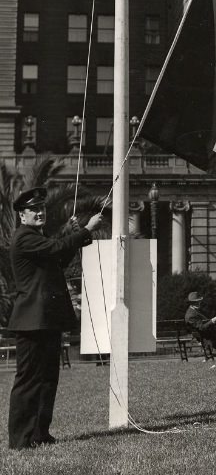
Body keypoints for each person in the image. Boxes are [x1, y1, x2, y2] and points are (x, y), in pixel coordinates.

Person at [7, 186, 103, 449]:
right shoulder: (25, 237)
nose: (39, 213)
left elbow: (58, 257)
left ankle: (40, 433)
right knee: (29, 380)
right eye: (33, 210)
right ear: (21, 216)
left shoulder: (38, 238)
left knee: (48, 378)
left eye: (42, 209)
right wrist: (86, 230)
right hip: (32, 320)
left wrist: (73, 235)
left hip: (45, 319)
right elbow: (55, 248)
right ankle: (20, 439)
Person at [184, 291, 216, 366]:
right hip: (207, 334)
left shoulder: (194, 311)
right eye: (198, 302)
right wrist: (213, 320)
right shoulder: (191, 315)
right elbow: (202, 327)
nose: (200, 303)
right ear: (193, 303)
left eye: (199, 301)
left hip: (208, 332)